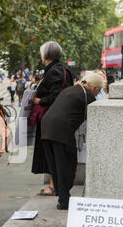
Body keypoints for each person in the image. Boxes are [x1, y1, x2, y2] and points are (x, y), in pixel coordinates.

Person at [41, 72, 104, 210]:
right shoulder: (87, 96)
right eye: (99, 91)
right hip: (61, 130)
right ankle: (64, 201)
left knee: (56, 166)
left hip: (46, 128)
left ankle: (62, 197)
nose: (98, 94)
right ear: (93, 87)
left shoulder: (71, 89)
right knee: (67, 164)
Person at [30, 41, 73, 196]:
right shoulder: (61, 69)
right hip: (58, 118)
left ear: (45, 55)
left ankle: (54, 186)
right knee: (54, 153)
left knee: (52, 153)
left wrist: (39, 101)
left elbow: (56, 95)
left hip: (52, 119)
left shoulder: (54, 71)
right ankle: (54, 185)